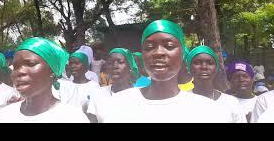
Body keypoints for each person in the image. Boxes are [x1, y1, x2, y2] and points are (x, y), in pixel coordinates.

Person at [94, 19, 232, 123]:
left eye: (169, 46)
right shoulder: (113, 106)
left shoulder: (211, 113)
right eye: (149, 47)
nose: (158, 53)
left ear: (182, 53)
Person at [0, 37, 89, 123]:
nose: (19, 72)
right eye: (15, 67)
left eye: (30, 64)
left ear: (52, 71)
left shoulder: (73, 118)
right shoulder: (4, 116)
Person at [187, 45, 246, 123]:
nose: (204, 67)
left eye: (210, 63)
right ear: (189, 67)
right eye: (197, 63)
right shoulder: (180, 102)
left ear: (216, 68)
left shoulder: (231, 103)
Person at [86, 47, 140, 121]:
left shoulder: (139, 96)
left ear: (130, 66)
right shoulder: (97, 93)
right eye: (110, 63)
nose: (115, 66)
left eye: (120, 62)